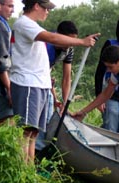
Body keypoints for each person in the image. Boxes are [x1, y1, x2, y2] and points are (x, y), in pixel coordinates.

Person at [10, 0, 99, 163]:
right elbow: (51, 37)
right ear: (36, 5)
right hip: (28, 83)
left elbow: (66, 76)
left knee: (33, 132)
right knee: (26, 131)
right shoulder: (24, 24)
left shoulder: (33, 25)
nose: (47, 12)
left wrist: (61, 100)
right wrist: (82, 42)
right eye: (46, 8)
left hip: (40, 85)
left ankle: (29, 171)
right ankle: (21, 170)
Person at [35, 20, 79, 152]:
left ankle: (44, 148)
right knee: (38, 118)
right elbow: (41, 71)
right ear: (59, 36)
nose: (70, 44)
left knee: (49, 117)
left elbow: (66, 78)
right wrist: (54, 96)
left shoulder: (68, 49)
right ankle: (36, 150)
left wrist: (64, 102)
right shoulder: (46, 46)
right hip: (35, 80)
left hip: (45, 79)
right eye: (68, 40)